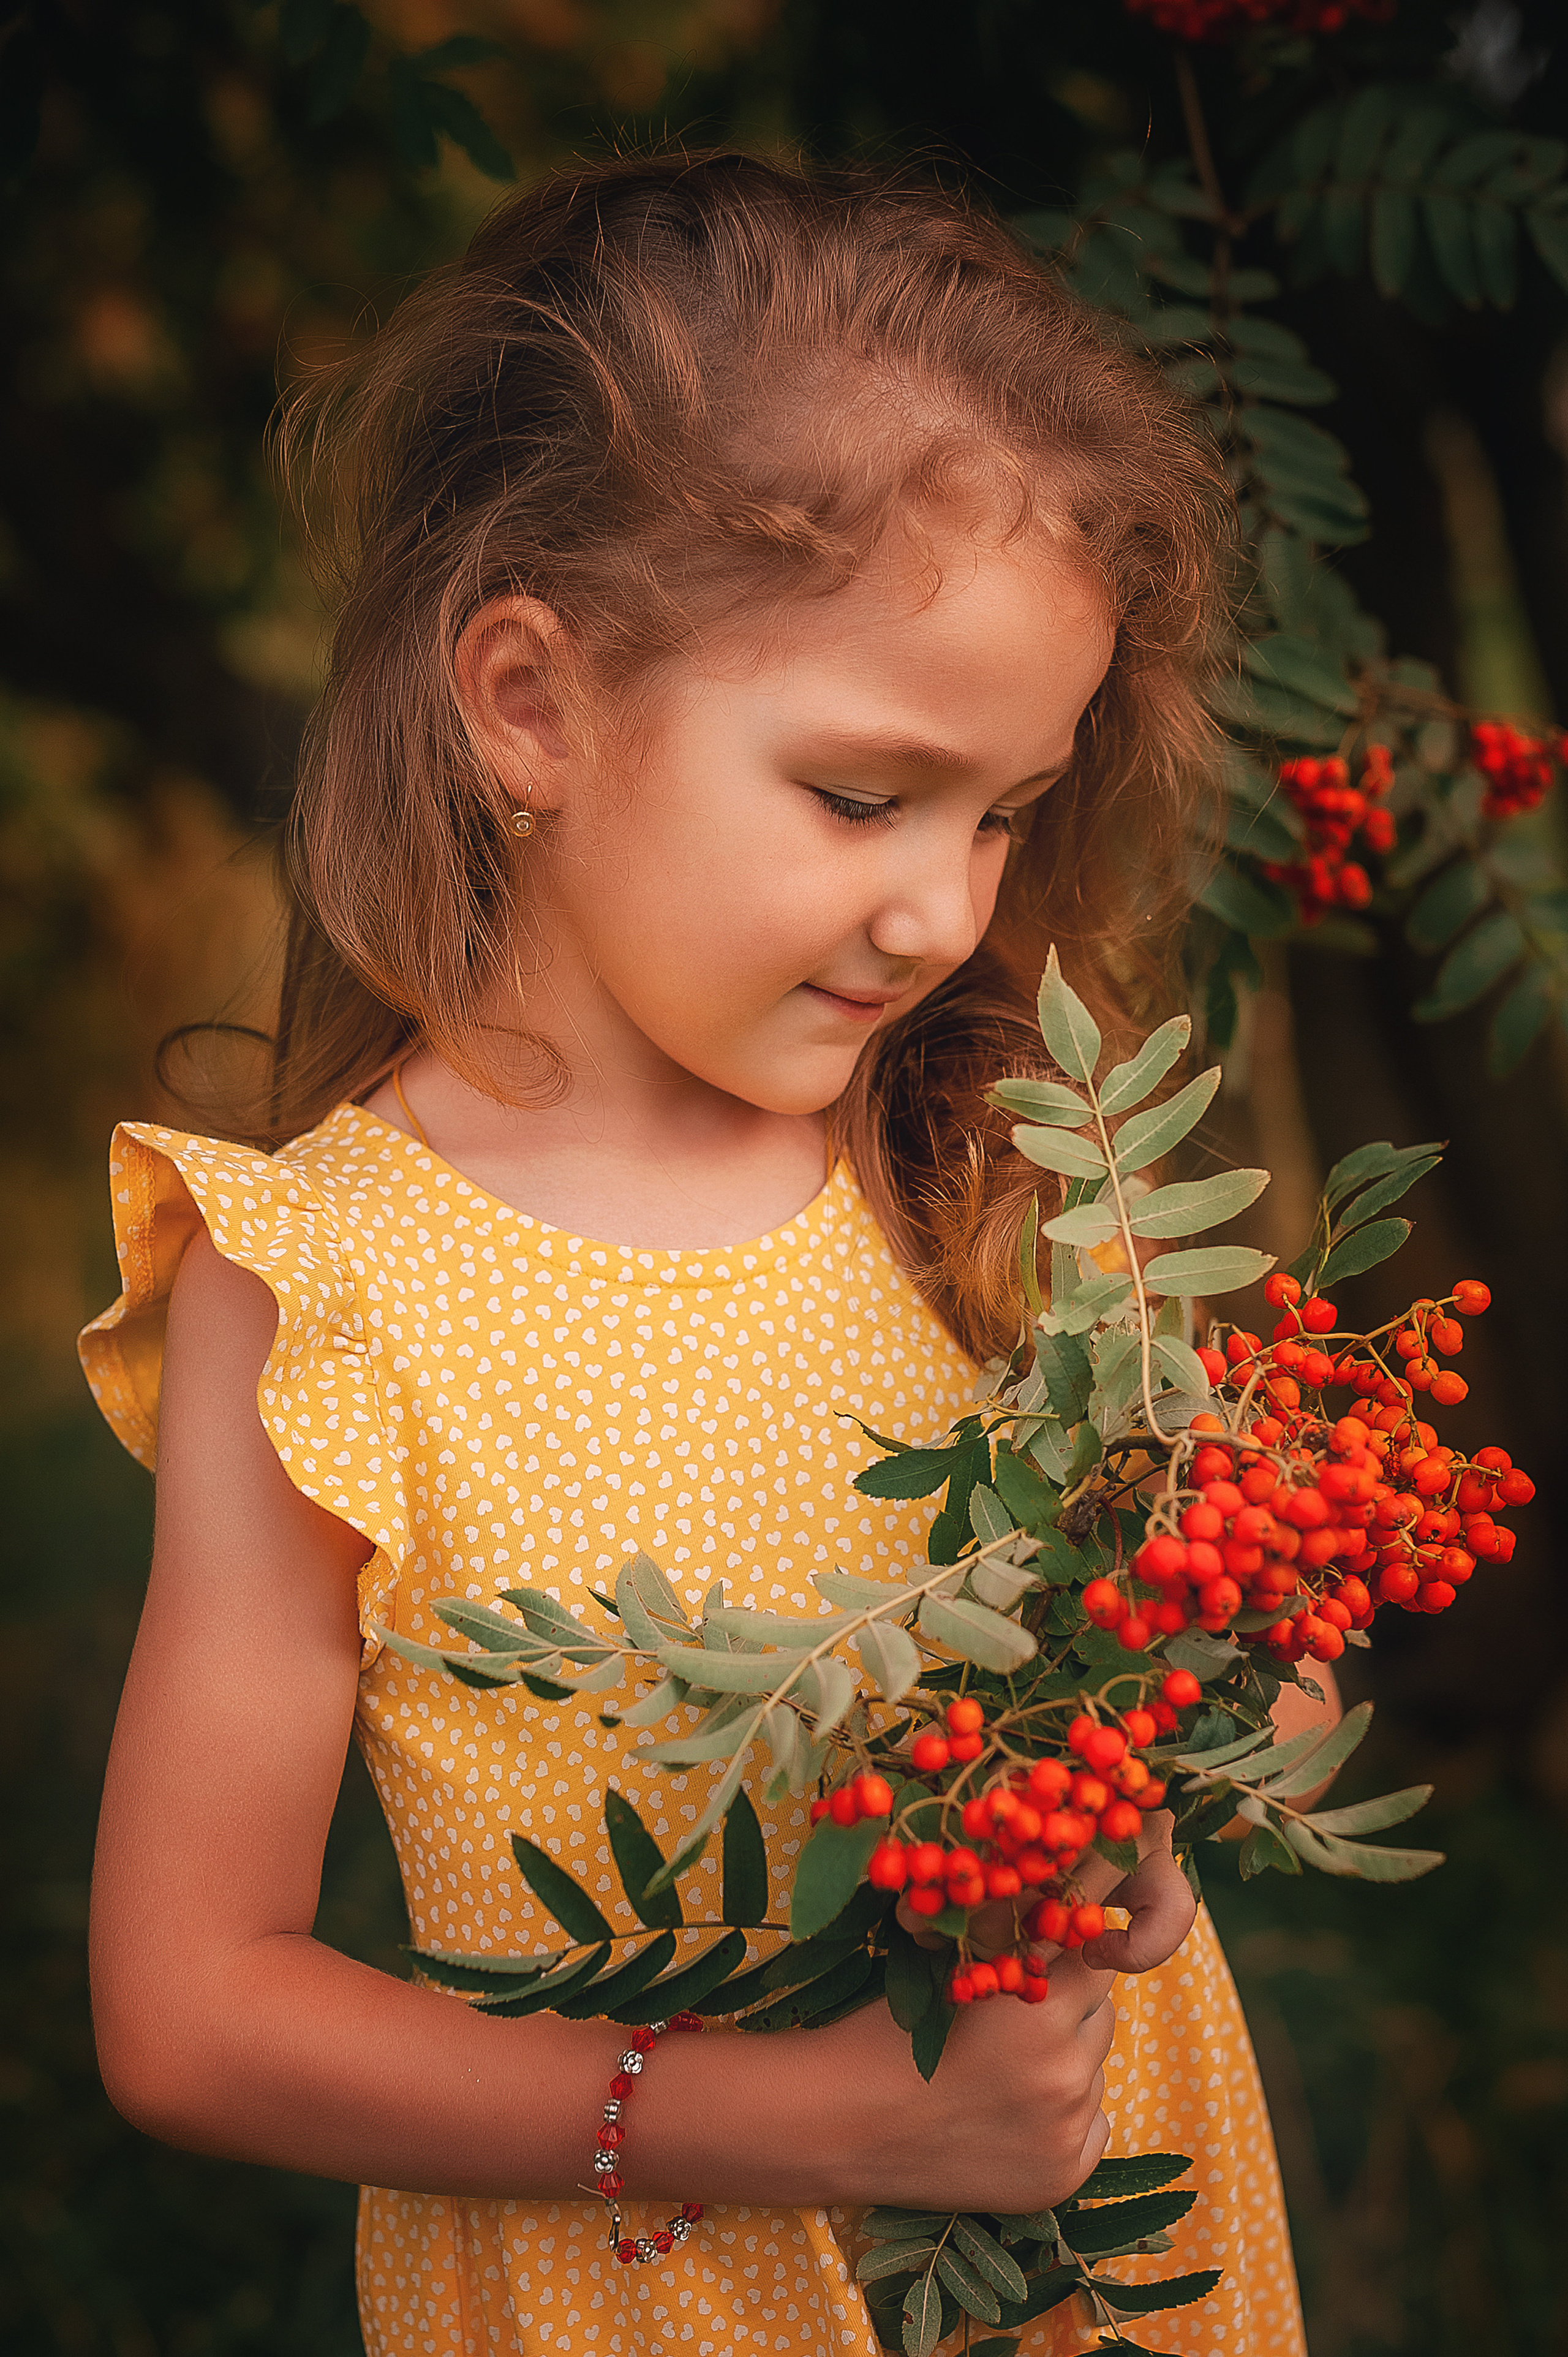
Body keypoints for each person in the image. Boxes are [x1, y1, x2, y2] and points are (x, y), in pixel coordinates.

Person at [80, 152, 1310, 2356]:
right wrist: (801, 2122)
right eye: (863, 796)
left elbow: (1257, 1641)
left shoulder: (1001, 1160)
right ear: (531, 706)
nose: (943, 910)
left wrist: (1166, 1777)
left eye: (1004, 814)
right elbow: (189, 2012)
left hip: (1094, 2266)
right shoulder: (329, 1287)